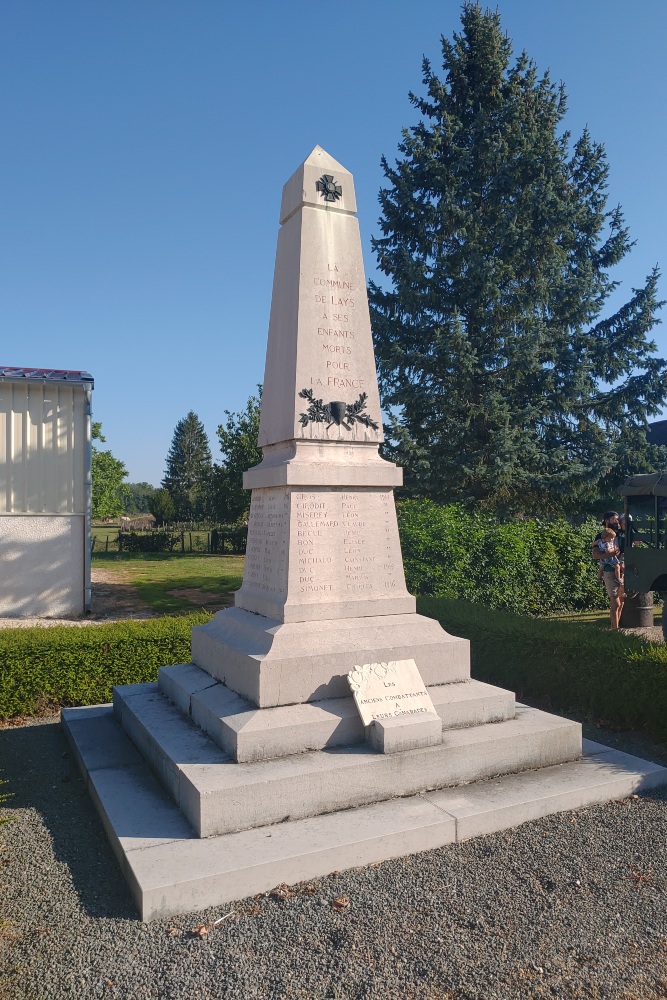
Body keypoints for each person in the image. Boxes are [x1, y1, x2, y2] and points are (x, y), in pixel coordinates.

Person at [592, 511, 625, 630]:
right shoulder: (601, 536)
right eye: (614, 519)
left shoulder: (620, 534)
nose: (616, 522)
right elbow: (595, 555)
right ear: (607, 521)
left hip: (622, 571)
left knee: (621, 603)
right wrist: (610, 554)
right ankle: (615, 630)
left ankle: (614, 627)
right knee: (615, 602)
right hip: (609, 570)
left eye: (617, 519)